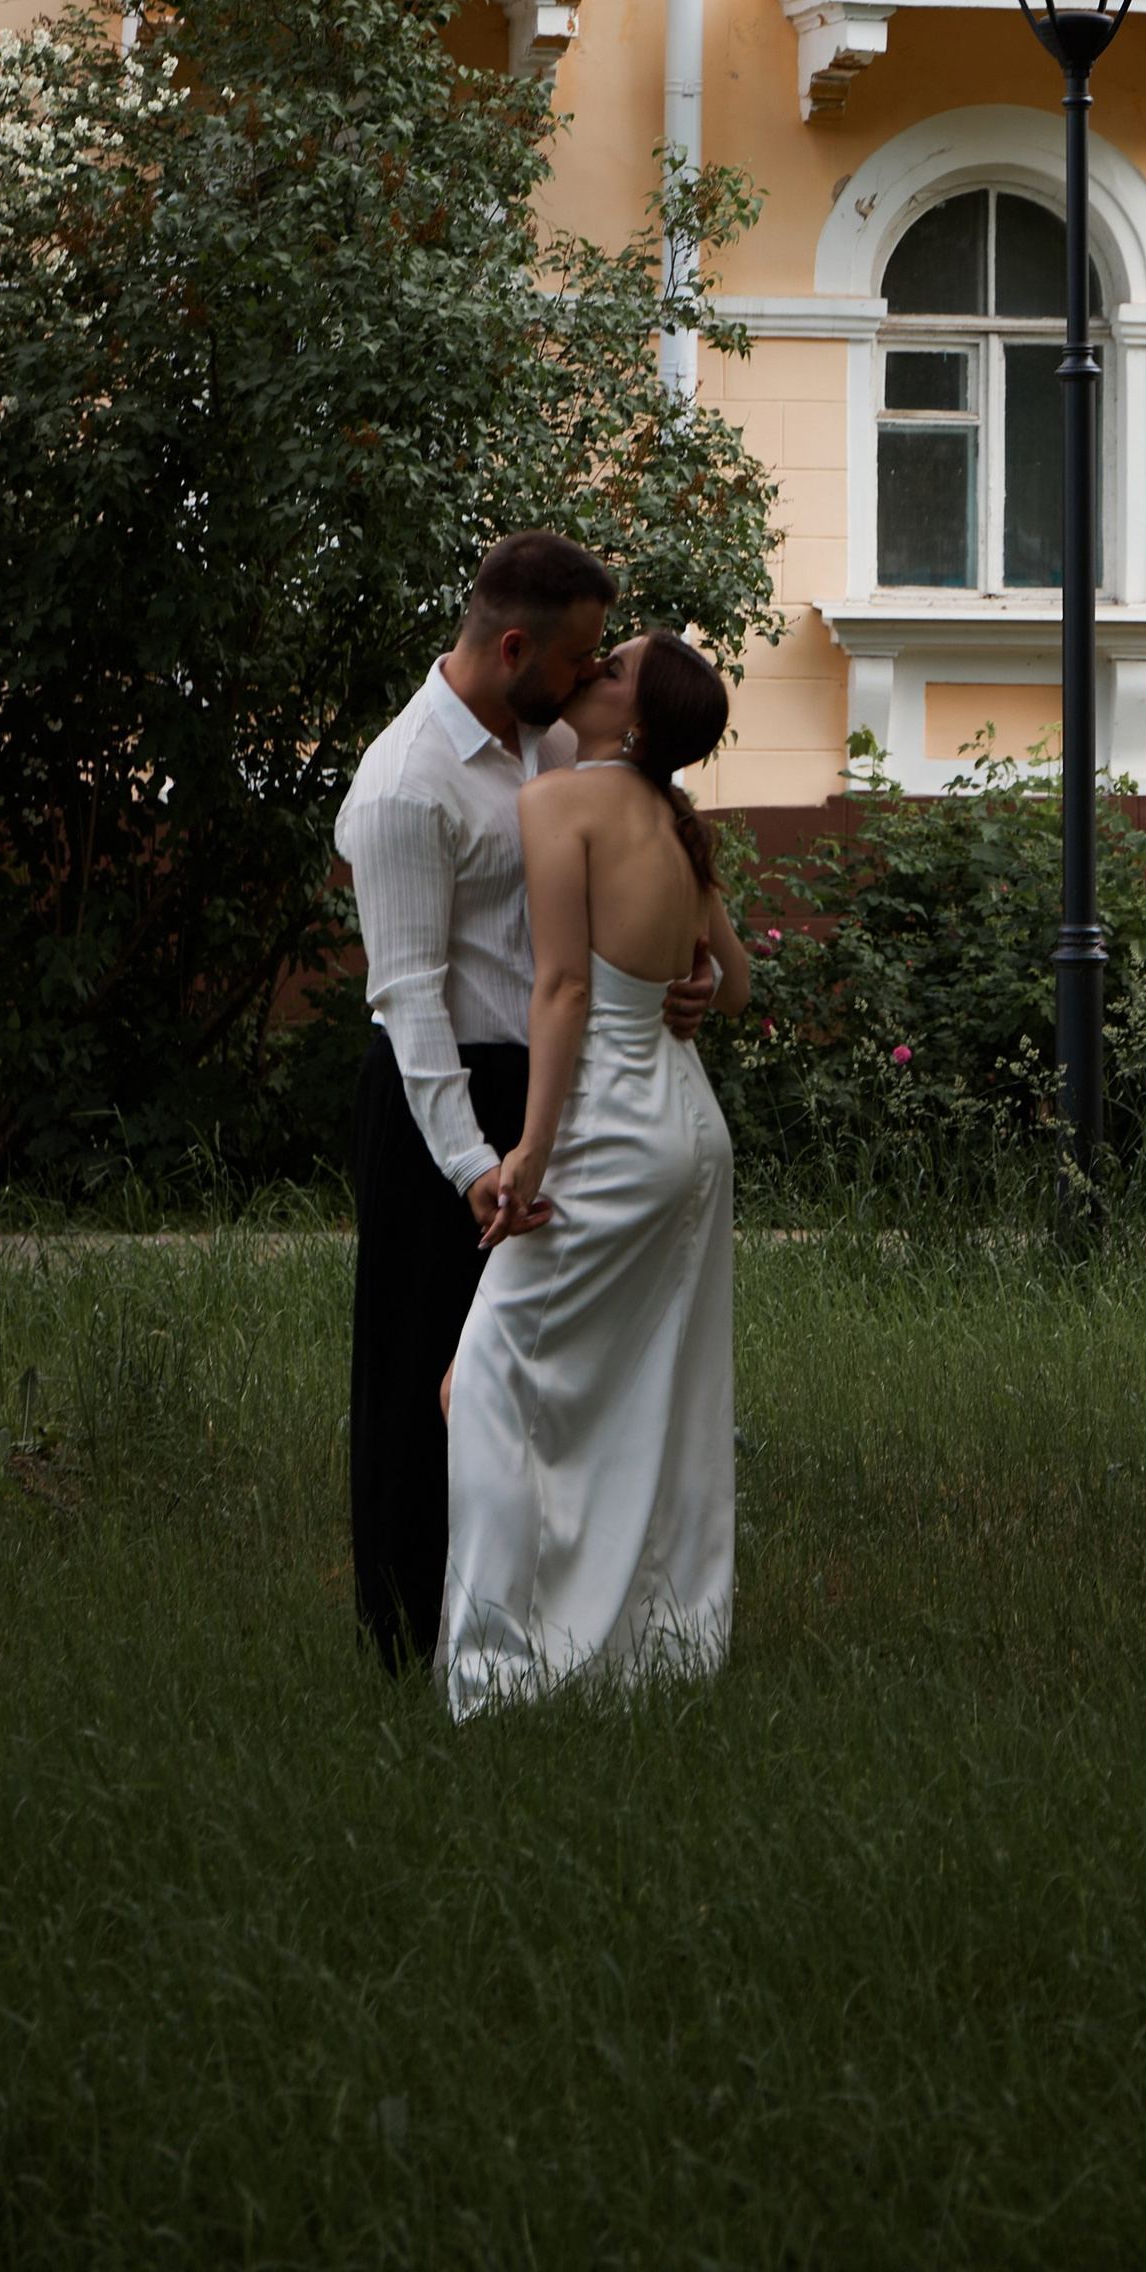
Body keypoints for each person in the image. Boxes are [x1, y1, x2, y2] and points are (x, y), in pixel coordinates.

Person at [338, 535, 716, 1668]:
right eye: (582, 656)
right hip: (438, 1105)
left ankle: (535, 1612)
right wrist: (470, 1166)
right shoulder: (406, 783)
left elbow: (621, 896)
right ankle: (407, 1640)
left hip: (557, 1096)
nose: (593, 674)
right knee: (419, 1377)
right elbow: (407, 998)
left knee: (523, 1375)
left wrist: (681, 977)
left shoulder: (554, 741)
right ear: (516, 649)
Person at [437, 629, 749, 1716]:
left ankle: (502, 1674)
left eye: (610, 669)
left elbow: (562, 989)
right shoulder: (674, 822)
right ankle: (643, 1649)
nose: (589, 673)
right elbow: (738, 980)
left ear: (640, 721)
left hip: (608, 1138)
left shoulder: (559, 803)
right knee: (649, 1394)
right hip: (692, 1140)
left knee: (479, 1385)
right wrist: (697, 977)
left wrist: (527, 1150)